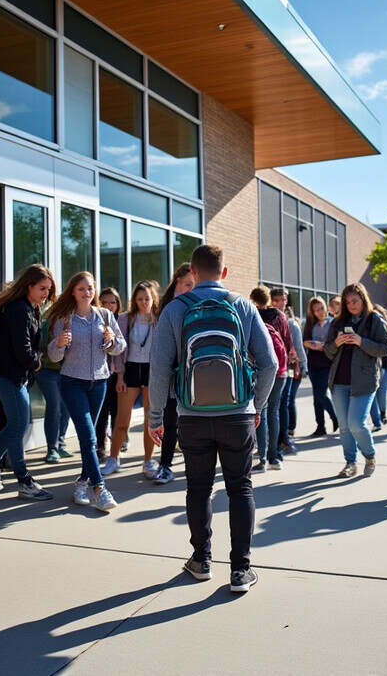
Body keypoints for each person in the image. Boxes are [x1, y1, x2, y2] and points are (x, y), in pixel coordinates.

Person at [146, 244, 277, 593]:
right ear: (224, 272)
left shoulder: (175, 309)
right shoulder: (243, 306)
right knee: (240, 488)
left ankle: (201, 560)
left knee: (198, 488)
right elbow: (270, 364)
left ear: (192, 271)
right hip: (238, 415)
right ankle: (240, 570)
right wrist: (258, 407)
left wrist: (156, 415)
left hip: (192, 415)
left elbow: (159, 370)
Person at [47, 271, 125, 511]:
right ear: (73, 291)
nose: (87, 292)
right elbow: (54, 355)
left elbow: (120, 347)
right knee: (89, 437)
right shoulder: (64, 318)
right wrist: (58, 343)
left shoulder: (105, 315)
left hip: (100, 382)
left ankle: (82, 482)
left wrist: (111, 340)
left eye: (90, 288)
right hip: (72, 382)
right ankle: (99, 488)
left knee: (87, 439)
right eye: (81, 289)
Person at [0, 264, 56, 500]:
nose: (46, 294)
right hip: (6, 375)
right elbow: (23, 350)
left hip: (11, 375)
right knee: (18, 423)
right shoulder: (19, 309)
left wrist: (31, 361)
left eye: (49, 290)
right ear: (29, 286)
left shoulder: (27, 307)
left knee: (16, 424)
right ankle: (20, 478)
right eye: (42, 288)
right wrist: (36, 362)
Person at [323, 283, 387, 478]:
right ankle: (350, 463)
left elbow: (385, 348)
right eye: (347, 302)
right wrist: (337, 343)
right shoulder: (337, 322)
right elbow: (328, 351)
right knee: (343, 426)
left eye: (355, 301)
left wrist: (361, 341)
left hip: (364, 380)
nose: (351, 305)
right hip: (339, 381)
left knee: (356, 424)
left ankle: (370, 456)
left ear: (363, 299)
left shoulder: (373, 319)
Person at [105, 281, 158, 477]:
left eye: (147, 298)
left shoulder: (158, 319)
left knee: (149, 420)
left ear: (153, 299)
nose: (144, 302)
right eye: (139, 299)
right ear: (134, 300)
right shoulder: (125, 319)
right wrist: (119, 376)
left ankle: (148, 461)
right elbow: (118, 352)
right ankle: (113, 458)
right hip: (130, 370)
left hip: (152, 371)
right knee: (122, 420)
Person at [153, 263, 196, 485]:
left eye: (194, 284)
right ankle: (165, 465)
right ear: (177, 282)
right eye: (188, 284)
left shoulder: (197, 303)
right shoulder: (169, 308)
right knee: (171, 422)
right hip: (173, 375)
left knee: (191, 424)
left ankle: (193, 464)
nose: (192, 288)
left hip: (196, 373)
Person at [250, 286, 289, 471]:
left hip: (260, 369)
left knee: (261, 412)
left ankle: (263, 458)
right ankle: (275, 457)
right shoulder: (281, 317)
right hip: (280, 370)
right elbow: (287, 343)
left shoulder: (252, 316)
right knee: (274, 411)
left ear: (253, 299)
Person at [38, 314, 73, 465]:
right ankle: (52, 448)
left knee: (66, 407)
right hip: (47, 370)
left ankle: (60, 442)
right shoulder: (47, 325)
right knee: (54, 405)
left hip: (68, 371)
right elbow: (41, 347)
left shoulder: (78, 324)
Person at [302, 296, 338, 436]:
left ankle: (335, 417)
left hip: (327, 363)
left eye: (321, 308)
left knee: (321, 394)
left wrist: (323, 346)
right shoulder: (311, 324)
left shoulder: (333, 323)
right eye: (316, 310)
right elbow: (304, 341)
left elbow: (335, 343)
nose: (320, 312)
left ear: (326, 307)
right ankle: (320, 427)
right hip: (313, 363)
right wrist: (311, 344)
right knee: (316, 397)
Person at [269, 288, 300, 450]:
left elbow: (296, 347)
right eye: (277, 300)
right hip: (274, 368)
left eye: (283, 299)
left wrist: (299, 366)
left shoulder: (289, 321)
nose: (281, 303)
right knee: (277, 405)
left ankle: (284, 440)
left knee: (283, 404)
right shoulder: (270, 317)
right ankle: (277, 441)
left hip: (287, 368)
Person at [94, 287, 122, 462]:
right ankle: (99, 446)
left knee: (117, 411)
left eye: (112, 302)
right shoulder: (94, 320)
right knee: (102, 412)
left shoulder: (122, 321)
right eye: (104, 302)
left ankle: (116, 445)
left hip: (117, 373)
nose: (108, 306)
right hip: (100, 374)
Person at [369, 304, 387, 431]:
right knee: (377, 392)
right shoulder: (376, 327)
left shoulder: (385, 327)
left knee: (380, 392)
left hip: (384, 364)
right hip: (379, 364)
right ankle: (380, 416)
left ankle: (382, 414)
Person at [282, 304, 307, 453]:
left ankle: (290, 430)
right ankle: (286, 433)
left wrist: (303, 365)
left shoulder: (292, 325)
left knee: (288, 400)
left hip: (292, 367)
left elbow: (298, 347)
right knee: (285, 401)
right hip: (282, 368)